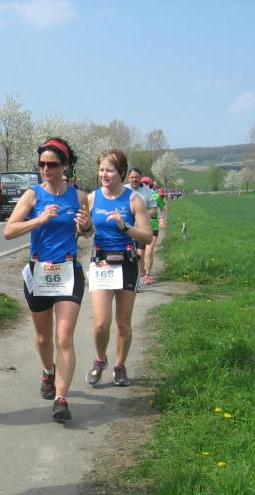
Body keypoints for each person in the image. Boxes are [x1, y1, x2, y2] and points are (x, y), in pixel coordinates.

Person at [4, 138, 92, 421]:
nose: (45, 169)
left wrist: (86, 227)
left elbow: (87, 232)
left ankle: (61, 398)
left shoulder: (78, 197)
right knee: (43, 337)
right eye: (41, 164)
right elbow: (9, 231)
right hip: (39, 271)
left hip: (68, 271)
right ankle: (47, 371)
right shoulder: (32, 196)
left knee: (64, 337)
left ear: (64, 166)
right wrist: (39, 220)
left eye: (52, 164)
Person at [85, 149, 152, 388]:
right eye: (101, 169)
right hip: (101, 263)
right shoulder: (92, 198)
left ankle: (120, 366)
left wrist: (125, 227)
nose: (104, 174)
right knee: (101, 323)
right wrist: (83, 227)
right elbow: (86, 233)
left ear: (121, 173)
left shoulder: (133, 200)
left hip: (127, 263)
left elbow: (147, 236)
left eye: (110, 170)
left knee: (123, 323)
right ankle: (100, 359)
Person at [125, 167, 153, 279]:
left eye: (136, 177)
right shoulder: (123, 190)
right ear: (128, 178)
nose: (134, 179)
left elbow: (154, 209)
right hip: (127, 229)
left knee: (140, 254)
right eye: (132, 177)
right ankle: (131, 274)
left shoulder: (147, 191)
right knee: (128, 254)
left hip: (141, 229)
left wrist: (142, 217)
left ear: (140, 178)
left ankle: (139, 274)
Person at [140, 176, 166, 284]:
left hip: (153, 227)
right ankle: (142, 269)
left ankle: (148, 275)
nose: (143, 186)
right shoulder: (136, 196)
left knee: (149, 251)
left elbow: (163, 209)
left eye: (145, 184)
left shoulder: (156, 196)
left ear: (150, 185)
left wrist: (161, 218)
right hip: (140, 227)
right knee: (140, 253)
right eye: (142, 184)